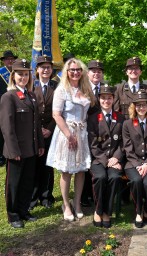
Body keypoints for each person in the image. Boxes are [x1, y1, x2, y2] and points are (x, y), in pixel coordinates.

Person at [46, 58, 96, 221]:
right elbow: (56, 114)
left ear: (82, 72)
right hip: (67, 132)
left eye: (78, 70)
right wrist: (69, 134)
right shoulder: (62, 90)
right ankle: (66, 204)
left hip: (82, 132)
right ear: (66, 72)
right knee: (67, 171)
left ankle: (77, 203)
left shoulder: (86, 88)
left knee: (81, 170)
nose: (75, 72)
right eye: (72, 70)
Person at [0, 59, 45, 228]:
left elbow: (36, 124)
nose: (23, 77)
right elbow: (6, 127)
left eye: (26, 74)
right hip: (16, 150)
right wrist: (12, 150)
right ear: (13, 76)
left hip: (31, 149)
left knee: (27, 182)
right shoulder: (8, 97)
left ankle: (24, 210)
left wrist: (40, 144)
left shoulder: (31, 95)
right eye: (20, 74)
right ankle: (13, 215)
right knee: (14, 184)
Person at [87, 85, 124, 228]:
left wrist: (117, 157)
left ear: (113, 99)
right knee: (100, 178)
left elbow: (123, 142)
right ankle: (98, 210)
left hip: (115, 159)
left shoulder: (120, 118)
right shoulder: (93, 119)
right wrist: (106, 160)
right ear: (99, 99)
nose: (106, 101)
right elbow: (93, 144)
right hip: (98, 159)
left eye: (109, 98)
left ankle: (107, 212)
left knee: (114, 178)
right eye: (103, 98)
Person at [123, 91, 147, 228]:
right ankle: (138, 211)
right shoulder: (128, 124)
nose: (141, 108)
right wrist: (139, 164)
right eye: (138, 105)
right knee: (136, 181)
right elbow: (127, 147)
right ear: (134, 107)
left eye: (143, 105)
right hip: (133, 163)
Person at [30, 55, 58, 210]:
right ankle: (32, 198)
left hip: (50, 132)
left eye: (48, 67)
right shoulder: (31, 86)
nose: (46, 70)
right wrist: (38, 129)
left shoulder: (57, 86)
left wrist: (50, 128)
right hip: (34, 132)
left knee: (48, 165)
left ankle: (46, 196)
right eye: (43, 67)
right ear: (37, 69)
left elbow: (60, 110)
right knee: (34, 166)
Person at [81, 59, 105, 208]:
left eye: (99, 71)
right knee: (86, 163)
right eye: (93, 71)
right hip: (84, 131)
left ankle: (97, 193)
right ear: (88, 73)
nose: (96, 73)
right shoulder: (81, 89)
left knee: (98, 161)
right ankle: (85, 195)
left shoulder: (107, 89)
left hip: (103, 133)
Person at [0, 50, 18, 166]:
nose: (10, 61)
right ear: (4, 61)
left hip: (16, 106)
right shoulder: (1, 73)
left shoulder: (18, 73)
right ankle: (1, 155)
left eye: (12, 59)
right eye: (8, 59)